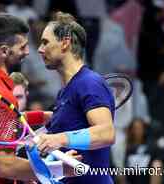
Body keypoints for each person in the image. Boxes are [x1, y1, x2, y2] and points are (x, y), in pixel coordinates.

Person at [0, 13, 78, 184]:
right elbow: (6, 167)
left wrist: (43, 116)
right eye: (22, 47)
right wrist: (61, 169)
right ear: (4, 51)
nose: (27, 52)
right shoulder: (1, 97)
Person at [35, 11, 116, 184]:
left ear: (65, 43)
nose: (40, 49)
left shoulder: (89, 83)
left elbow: (106, 133)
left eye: (45, 42)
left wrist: (58, 139)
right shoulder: (64, 92)